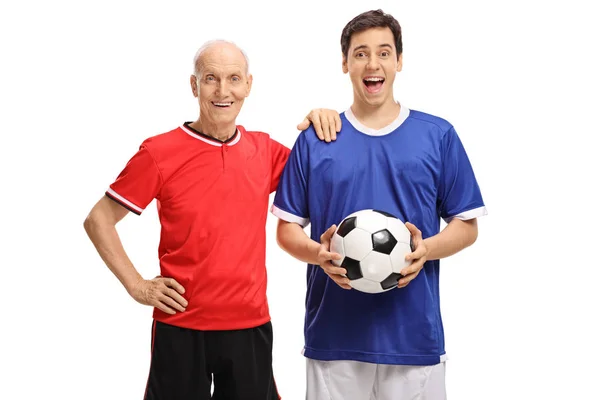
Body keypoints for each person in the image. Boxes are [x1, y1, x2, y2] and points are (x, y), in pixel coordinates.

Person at [83, 39, 339, 400]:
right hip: (181, 325)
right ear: (194, 85)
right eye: (210, 78)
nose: (223, 91)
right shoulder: (159, 153)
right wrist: (137, 286)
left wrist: (322, 118)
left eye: (234, 79)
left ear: (248, 85)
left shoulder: (265, 151)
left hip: (249, 325)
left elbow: (326, 172)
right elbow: (98, 220)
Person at [273, 9, 487, 400]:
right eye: (360, 53)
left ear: (399, 61)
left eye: (384, 53)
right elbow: (286, 231)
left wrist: (426, 250)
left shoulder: (437, 135)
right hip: (333, 337)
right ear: (345, 63)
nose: (373, 64)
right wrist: (319, 255)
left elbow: (467, 225)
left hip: (413, 340)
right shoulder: (317, 140)